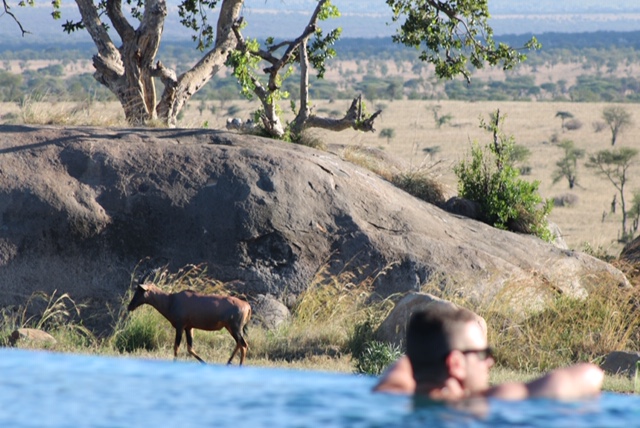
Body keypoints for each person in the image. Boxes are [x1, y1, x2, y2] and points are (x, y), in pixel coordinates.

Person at [373, 306, 604, 401]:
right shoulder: (488, 402)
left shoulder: (393, 389)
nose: (490, 362)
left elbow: (408, 361)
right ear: (455, 364)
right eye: (483, 354)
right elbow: (591, 375)